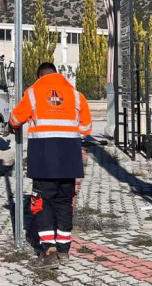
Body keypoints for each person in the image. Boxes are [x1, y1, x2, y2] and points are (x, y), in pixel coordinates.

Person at [9, 62, 92, 268]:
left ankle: (48, 251)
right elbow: (87, 128)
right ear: (56, 74)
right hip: (69, 156)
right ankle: (64, 251)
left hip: (44, 156)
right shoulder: (75, 95)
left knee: (42, 202)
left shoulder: (34, 92)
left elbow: (15, 119)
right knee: (64, 202)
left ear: (40, 75)